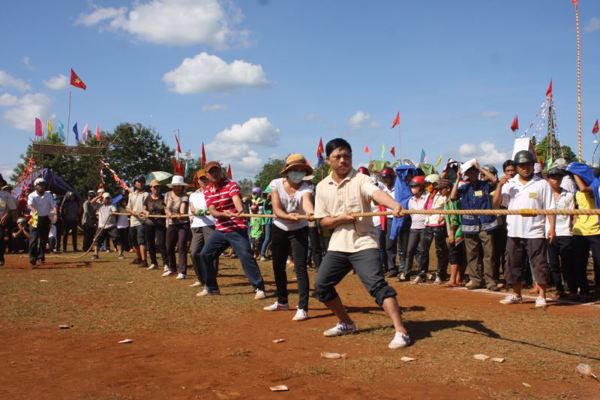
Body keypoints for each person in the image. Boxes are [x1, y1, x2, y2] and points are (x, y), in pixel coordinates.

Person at [314, 138, 411, 349]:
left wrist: (394, 204)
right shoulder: (321, 187)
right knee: (321, 287)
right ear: (328, 160)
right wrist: (341, 218)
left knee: (377, 286)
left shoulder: (361, 179)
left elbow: (376, 193)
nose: (343, 160)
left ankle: (401, 331)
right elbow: (323, 222)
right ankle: (346, 323)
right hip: (338, 245)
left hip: (364, 242)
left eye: (346, 156)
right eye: (337, 157)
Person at [493, 150, 555, 308]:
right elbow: (496, 205)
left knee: (539, 264)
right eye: (522, 165)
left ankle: (541, 295)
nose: (525, 168)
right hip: (514, 230)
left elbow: (550, 207)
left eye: (528, 164)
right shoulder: (510, 184)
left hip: (535, 230)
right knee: (513, 263)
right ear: (516, 167)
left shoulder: (541, 184)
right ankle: (516, 294)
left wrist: (552, 227)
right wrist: (500, 186)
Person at [199, 161, 266, 299]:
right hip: (221, 229)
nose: (215, 174)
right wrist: (223, 214)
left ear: (221, 171)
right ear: (207, 175)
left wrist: (240, 210)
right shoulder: (207, 191)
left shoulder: (231, 184)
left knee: (245, 255)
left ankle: (259, 288)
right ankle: (211, 288)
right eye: (211, 172)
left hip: (236, 228)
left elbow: (236, 200)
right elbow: (212, 210)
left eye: (217, 170)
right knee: (205, 255)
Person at [263, 153, 314, 321]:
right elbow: (277, 209)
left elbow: (306, 202)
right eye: (294, 169)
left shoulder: (307, 187)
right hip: (279, 227)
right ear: (287, 171)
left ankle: (302, 307)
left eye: (301, 169)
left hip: (299, 229)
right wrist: (286, 216)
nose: (298, 172)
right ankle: (282, 301)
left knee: (300, 267)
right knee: (278, 266)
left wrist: (310, 212)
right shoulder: (275, 184)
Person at [452, 160, 502, 291]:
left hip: (486, 224)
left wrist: (480, 168)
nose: (472, 173)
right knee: (472, 254)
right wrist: (458, 179)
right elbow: (452, 197)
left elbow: (495, 180)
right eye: (470, 171)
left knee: (489, 254)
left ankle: (490, 281)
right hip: (469, 225)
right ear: (466, 174)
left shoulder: (485, 185)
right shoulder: (464, 188)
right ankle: (475, 280)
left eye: (474, 171)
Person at [566, 162, 599, 301]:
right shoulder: (576, 191)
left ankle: (598, 288)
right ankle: (583, 290)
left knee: (598, 262)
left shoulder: (595, 185)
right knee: (579, 263)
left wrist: (575, 174)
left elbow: (584, 188)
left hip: (596, 230)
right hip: (580, 232)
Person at [413, 174, 449, 284]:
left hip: (438, 225)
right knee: (423, 250)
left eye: (428, 184)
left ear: (434, 184)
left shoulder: (442, 196)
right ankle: (422, 273)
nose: (427, 186)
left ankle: (440, 274)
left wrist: (443, 216)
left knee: (440, 251)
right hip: (428, 225)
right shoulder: (428, 196)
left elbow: (447, 207)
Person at [545, 167, 575, 299]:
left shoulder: (568, 195)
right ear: (548, 179)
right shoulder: (545, 196)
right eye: (553, 177)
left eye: (558, 178)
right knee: (553, 264)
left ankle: (572, 289)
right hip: (549, 233)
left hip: (565, 232)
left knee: (568, 263)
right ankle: (559, 289)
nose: (556, 180)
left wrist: (572, 229)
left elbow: (573, 215)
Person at [189, 170, 217, 288]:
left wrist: (202, 211)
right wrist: (193, 218)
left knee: (211, 253)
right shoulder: (193, 195)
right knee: (194, 252)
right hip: (196, 226)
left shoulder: (214, 191)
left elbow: (214, 207)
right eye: (201, 179)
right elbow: (192, 210)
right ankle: (200, 278)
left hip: (210, 224)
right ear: (197, 180)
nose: (203, 181)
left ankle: (211, 280)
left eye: (205, 178)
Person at [399, 175, 427, 281]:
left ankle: (422, 274)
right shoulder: (410, 200)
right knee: (409, 251)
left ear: (421, 187)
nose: (412, 188)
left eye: (415, 186)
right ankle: (406, 273)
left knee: (423, 251)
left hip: (424, 228)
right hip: (414, 228)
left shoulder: (427, 198)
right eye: (411, 186)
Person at [163, 175, 190, 279]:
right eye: (175, 185)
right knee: (169, 246)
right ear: (172, 186)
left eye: (179, 186)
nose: (177, 187)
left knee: (182, 246)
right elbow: (166, 207)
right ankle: (172, 268)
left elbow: (183, 208)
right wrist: (169, 213)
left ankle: (182, 271)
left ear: (182, 187)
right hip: (171, 223)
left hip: (183, 223)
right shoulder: (167, 194)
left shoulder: (185, 196)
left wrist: (180, 214)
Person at [27, 178, 56, 266]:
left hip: (45, 218)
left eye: (43, 185)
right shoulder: (32, 195)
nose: (42, 187)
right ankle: (32, 257)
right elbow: (29, 205)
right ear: (35, 186)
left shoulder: (48, 195)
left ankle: (41, 256)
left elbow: (53, 205)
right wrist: (33, 209)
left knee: (43, 239)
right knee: (33, 238)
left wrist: (55, 212)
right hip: (35, 217)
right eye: (40, 185)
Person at [380, 167, 400, 277]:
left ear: (392, 177)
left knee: (402, 245)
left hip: (399, 219)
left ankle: (404, 269)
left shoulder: (398, 189)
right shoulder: (383, 191)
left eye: (387, 177)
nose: (385, 180)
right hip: (388, 220)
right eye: (383, 178)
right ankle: (392, 269)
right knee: (389, 245)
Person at [144, 180, 168, 271]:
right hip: (149, 223)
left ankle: (166, 263)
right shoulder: (148, 198)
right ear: (151, 188)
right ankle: (154, 263)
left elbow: (166, 209)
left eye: (157, 187)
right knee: (150, 243)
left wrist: (168, 214)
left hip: (160, 224)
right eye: (154, 187)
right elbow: (144, 209)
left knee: (161, 243)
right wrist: (146, 212)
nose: (156, 189)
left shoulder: (163, 198)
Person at [93, 192, 124, 260]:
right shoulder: (99, 205)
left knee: (117, 239)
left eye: (108, 198)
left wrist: (113, 213)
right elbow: (92, 202)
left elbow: (115, 213)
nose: (107, 200)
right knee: (97, 240)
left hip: (111, 226)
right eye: (106, 198)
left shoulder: (112, 206)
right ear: (103, 199)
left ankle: (120, 254)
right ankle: (95, 254)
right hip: (101, 227)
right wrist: (98, 196)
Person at [127, 176, 149, 267]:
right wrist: (133, 212)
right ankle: (139, 258)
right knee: (134, 241)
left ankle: (144, 260)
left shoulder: (146, 194)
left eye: (142, 182)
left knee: (141, 241)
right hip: (133, 221)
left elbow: (147, 207)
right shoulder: (131, 195)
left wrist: (142, 212)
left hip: (142, 221)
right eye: (138, 181)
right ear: (135, 183)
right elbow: (128, 207)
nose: (140, 183)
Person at [0, 184, 17, 265]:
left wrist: (6, 216)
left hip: (2, 221)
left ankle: (0, 257)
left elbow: (12, 209)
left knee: (1, 239)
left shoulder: (6, 195)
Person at [259, 187, 273, 261]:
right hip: (268, 222)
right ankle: (262, 254)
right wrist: (268, 198)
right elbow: (267, 209)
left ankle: (271, 253)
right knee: (267, 238)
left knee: (273, 239)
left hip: (274, 222)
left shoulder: (273, 201)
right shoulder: (266, 202)